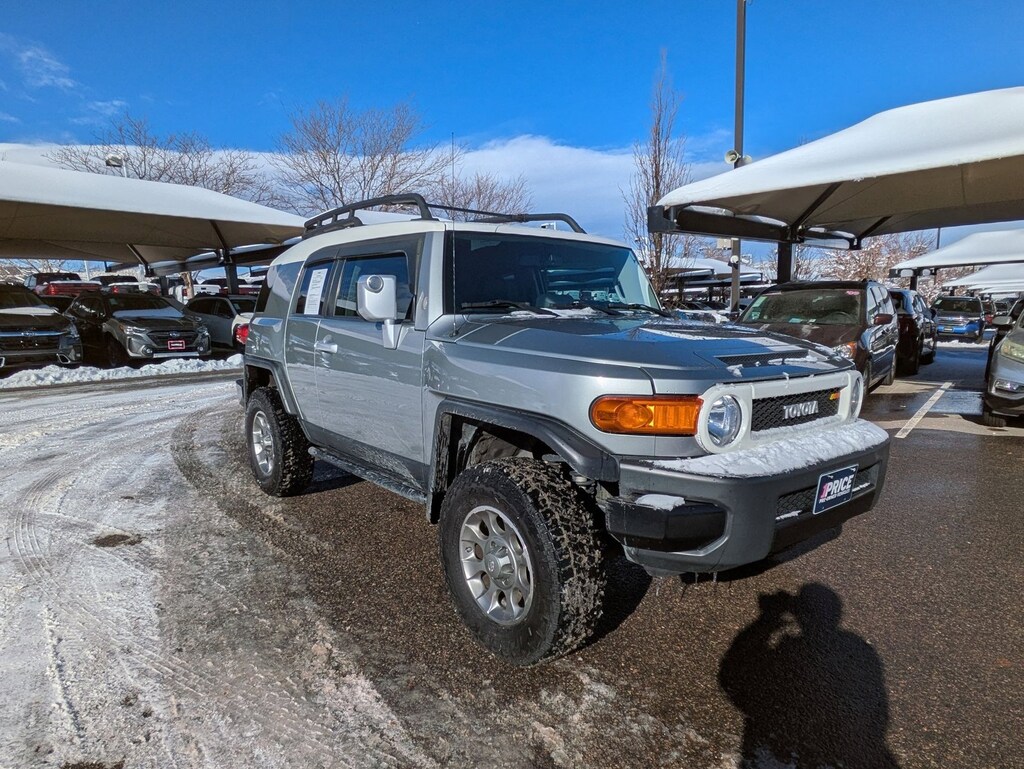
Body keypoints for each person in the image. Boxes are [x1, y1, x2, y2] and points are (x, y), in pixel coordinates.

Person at [719, 583, 900, 768]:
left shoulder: (791, 649)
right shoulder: (858, 648)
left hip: (781, 745)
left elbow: (732, 674)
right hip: (826, 750)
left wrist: (767, 620)